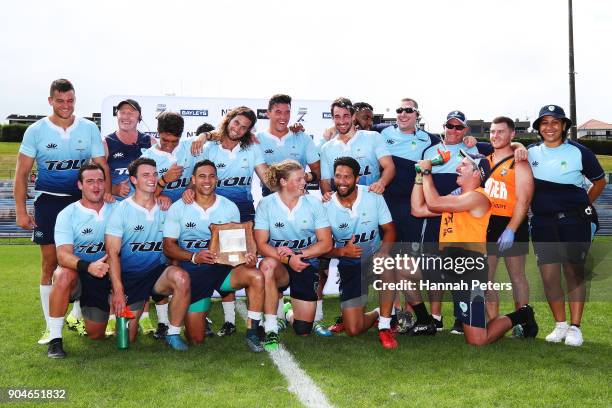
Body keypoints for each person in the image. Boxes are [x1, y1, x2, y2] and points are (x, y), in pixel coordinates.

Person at [13, 79, 111, 345]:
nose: (66, 106)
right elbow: (21, 174)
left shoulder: (89, 127)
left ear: (74, 100)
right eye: (60, 101)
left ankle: (77, 315)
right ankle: (50, 326)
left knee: (84, 256)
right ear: (50, 101)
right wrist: (21, 211)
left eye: (70, 101)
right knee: (50, 263)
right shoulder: (36, 130)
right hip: (50, 202)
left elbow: (101, 166)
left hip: (81, 201)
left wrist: (108, 196)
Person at [411, 150, 538, 345]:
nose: (457, 168)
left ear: (477, 173)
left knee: (478, 340)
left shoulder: (480, 198)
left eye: (463, 165)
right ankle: (424, 320)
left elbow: (434, 203)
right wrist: (419, 177)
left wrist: (427, 173)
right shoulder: (456, 198)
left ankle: (522, 314)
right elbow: (417, 210)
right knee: (397, 267)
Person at [163, 159, 269, 352]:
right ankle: (191, 318)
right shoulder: (179, 207)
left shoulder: (229, 207)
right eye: (202, 176)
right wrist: (195, 257)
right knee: (196, 338)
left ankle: (253, 331)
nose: (207, 180)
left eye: (212, 176)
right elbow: (168, 247)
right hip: (194, 272)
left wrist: (247, 258)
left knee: (256, 275)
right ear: (193, 179)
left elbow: (235, 247)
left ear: (217, 180)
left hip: (222, 271)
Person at [188, 106, 270, 337]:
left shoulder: (252, 146)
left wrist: (294, 182)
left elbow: (267, 178)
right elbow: (196, 178)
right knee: (209, 261)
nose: (238, 129)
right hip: (211, 211)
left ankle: (233, 321)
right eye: (236, 123)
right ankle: (202, 317)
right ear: (228, 120)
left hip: (242, 213)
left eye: (244, 127)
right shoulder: (208, 145)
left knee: (237, 264)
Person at [528, 105, 605, 347]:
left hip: (575, 220)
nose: (549, 127)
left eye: (555, 122)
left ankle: (575, 327)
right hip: (542, 222)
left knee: (574, 272)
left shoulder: (580, 152)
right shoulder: (530, 152)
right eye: (544, 123)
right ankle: (560, 325)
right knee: (549, 276)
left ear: (563, 126)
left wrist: (583, 204)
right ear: (539, 128)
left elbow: (599, 181)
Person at [105, 157, 191, 350]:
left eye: (154, 174)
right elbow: (112, 253)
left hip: (157, 274)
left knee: (181, 277)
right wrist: (118, 291)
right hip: (131, 278)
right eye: (146, 175)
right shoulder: (121, 210)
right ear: (134, 180)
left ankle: (174, 333)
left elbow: (173, 247)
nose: (152, 178)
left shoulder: (167, 208)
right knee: (126, 340)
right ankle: (114, 307)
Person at [256, 160, 333, 350]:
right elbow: (261, 245)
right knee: (267, 265)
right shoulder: (266, 204)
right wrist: (288, 259)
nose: (304, 182)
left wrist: (298, 254)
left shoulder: (313, 204)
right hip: (280, 264)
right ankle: (271, 329)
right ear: (283, 182)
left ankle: (289, 312)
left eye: (304, 178)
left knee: (303, 330)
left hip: (304, 263)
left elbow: (326, 243)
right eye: (298, 179)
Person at [324, 157, 398, 348]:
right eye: (338, 176)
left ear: (357, 179)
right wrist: (341, 251)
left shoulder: (373, 196)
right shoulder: (325, 206)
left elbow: (390, 230)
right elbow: (323, 249)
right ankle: (378, 313)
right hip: (350, 265)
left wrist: (382, 252)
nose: (341, 181)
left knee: (387, 264)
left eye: (347, 177)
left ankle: (384, 326)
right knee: (353, 330)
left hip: (374, 259)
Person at [47, 163, 116, 358]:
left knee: (96, 336)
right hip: (80, 274)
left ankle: (77, 315)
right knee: (62, 275)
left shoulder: (118, 209)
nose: (96, 186)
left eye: (100, 181)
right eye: (90, 181)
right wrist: (89, 267)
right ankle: (55, 339)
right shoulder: (67, 214)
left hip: (105, 277)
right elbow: (62, 256)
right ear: (80, 185)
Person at [103, 98, 154, 336]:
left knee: (144, 264)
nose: (126, 116)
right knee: (116, 263)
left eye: (131, 113)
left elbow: (158, 173)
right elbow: (95, 176)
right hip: (117, 212)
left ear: (139, 117)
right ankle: (115, 316)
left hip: (143, 213)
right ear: (117, 116)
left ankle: (144, 315)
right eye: (122, 113)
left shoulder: (149, 142)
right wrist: (112, 190)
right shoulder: (107, 142)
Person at [484, 116, 535, 337]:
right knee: (486, 277)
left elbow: (524, 200)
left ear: (512, 134)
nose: (495, 136)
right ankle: (495, 323)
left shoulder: (519, 161)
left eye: (501, 132)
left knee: (517, 276)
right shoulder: (484, 160)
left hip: (512, 222)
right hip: (487, 223)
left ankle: (524, 322)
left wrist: (512, 229)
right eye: (493, 132)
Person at [257, 94, 321, 196]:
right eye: (278, 112)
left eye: (287, 112)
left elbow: (318, 171)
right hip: (270, 200)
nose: (283, 117)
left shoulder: (303, 138)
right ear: (268, 113)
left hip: (300, 198)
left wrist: (306, 176)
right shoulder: (256, 140)